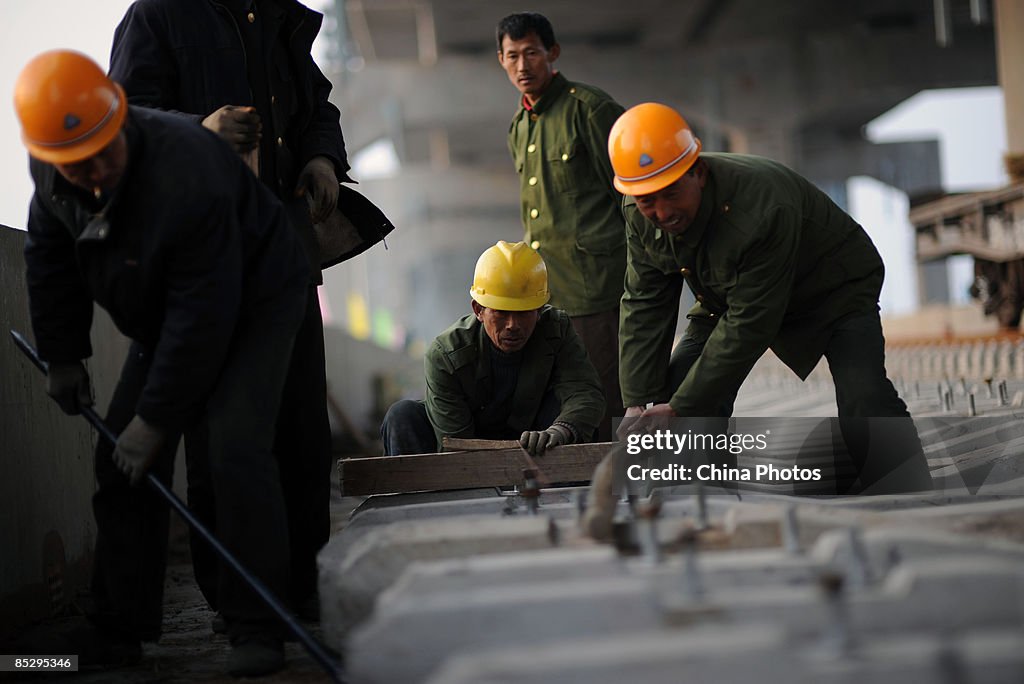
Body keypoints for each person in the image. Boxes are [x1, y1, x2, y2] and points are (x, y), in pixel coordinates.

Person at [15, 50, 307, 676]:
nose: (93, 175)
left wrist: (155, 417)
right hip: (165, 310)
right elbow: (48, 259)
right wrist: (63, 357)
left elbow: (205, 312)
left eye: (103, 153)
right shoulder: (55, 173)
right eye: (75, 165)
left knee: (232, 449)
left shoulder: (186, 166)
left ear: (119, 121)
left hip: (252, 297)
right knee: (116, 458)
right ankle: (120, 628)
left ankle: (257, 628)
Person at [108, 0, 346, 623]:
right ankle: (238, 600)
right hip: (205, 261)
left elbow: (316, 108)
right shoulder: (158, 17)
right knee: (224, 441)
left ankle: (303, 591)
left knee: (302, 433)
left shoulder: (279, 20)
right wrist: (200, 129)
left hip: (286, 257)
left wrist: (321, 158)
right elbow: (121, 117)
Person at [609, 102, 932, 494]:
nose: (662, 211)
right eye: (647, 202)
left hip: (832, 288)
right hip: (730, 295)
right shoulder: (638, 210)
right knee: (682, 385)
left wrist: (680, 409)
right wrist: (638, 400)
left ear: (698, 171)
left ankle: (908, 489)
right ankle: (704, 496)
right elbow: (644, 302)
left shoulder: (760, 208)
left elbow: (749, 324)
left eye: (672, 193)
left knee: (863, 395)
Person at [496, 12, 625, 440]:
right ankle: (585, 484)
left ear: (552, 53)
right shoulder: (519, 127)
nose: (522, 65)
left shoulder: (589, 109)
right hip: (548, 293)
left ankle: (622, 487)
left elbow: (635, 197)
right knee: (568, 393)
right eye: (512, 55)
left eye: (531, 52)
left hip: (599, 286)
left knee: (609, 393)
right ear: (501, 60)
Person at [381, 241, 604, 458]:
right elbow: (456, 444)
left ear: (538, 310)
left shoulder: (556, 330)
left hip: (539, 440)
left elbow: (585, 393)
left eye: (524, 313)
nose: (512, 325)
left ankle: (569, 491)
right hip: (471, 446)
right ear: (478, 310)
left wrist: (561, 431)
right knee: (402, 416)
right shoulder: (446, 355)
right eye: (501, 313)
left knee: (579, 422)